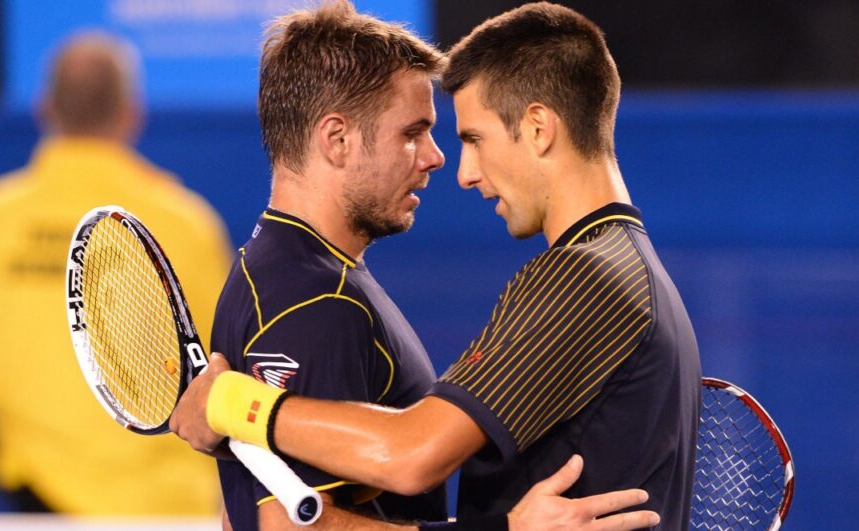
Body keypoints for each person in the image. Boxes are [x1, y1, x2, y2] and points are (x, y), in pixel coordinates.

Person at [174, 2, 675, 529]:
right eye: (413, 132)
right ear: (337, 139)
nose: (440, 160)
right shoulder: (314, 299)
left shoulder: (289, 275)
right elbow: (295, 519)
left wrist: (230, 406)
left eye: (464, 137)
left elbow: (394, 458)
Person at [0, 31, 232, 515]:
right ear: (131, 113)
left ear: (44, 109)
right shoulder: (187, 222)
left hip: (40, 498)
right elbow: (226, 363)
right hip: (171, 506)